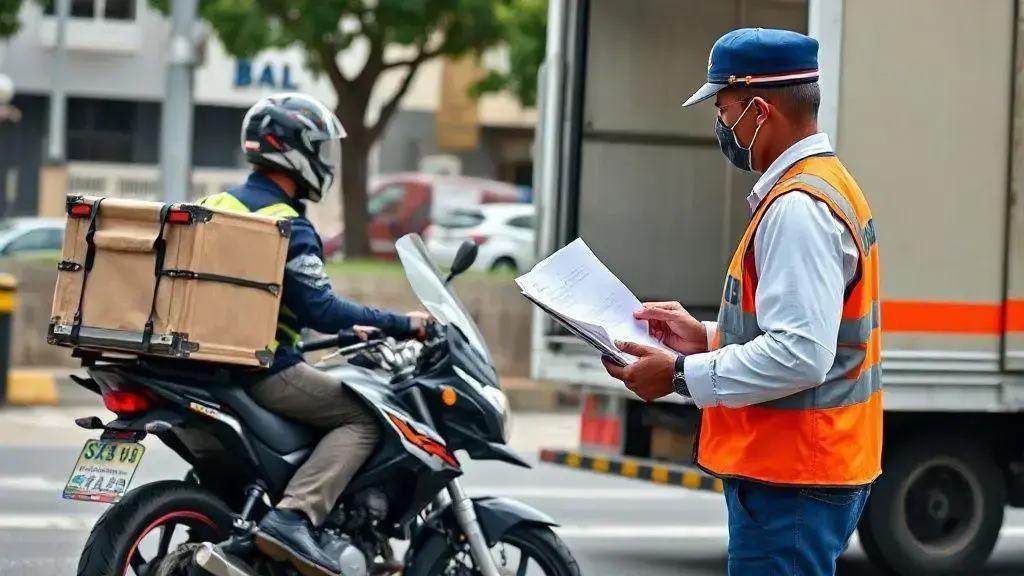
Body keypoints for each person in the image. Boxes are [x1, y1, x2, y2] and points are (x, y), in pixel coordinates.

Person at [602, 28, 882, 576]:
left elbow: (800, 355)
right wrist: (706, 337)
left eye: (723, 109)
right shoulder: (826, 184)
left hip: (793, 479)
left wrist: (680, 374)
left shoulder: (798, 207)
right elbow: (807, 332)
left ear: (760, 109)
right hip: (810, 470)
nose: (720, 125)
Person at [200, 93, 428, 576]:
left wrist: (349, 328)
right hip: (264, 370)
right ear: (293, 152)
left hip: (205, 361)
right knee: (366, 418)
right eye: (319, 148)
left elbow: (252, 299)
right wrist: (401, 322)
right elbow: (320, 308)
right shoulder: (289, 224)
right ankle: (294, 515)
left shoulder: (213, 205)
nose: (324, 162)